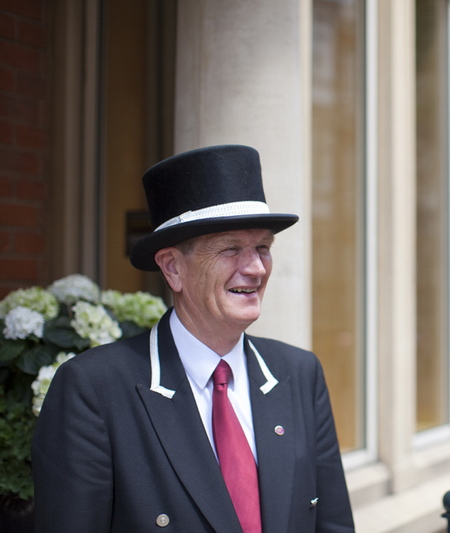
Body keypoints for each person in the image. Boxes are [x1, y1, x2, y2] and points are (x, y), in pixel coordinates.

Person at [31, 145, 355, 533]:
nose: (255, 268)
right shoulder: (94, 389)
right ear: (172, 268)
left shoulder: (299, 373)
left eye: (263, 248)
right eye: (231, 249)